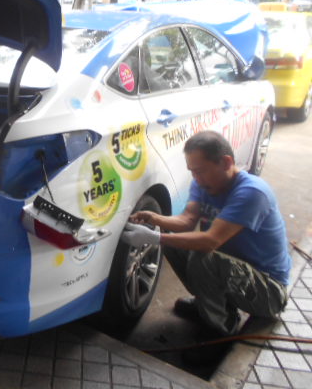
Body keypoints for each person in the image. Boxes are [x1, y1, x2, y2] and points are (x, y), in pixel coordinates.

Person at [121, 130, 291, 336]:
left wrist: (155, 238)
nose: (196, 179)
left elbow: (210, 241)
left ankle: (222, 325)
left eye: (200, 171)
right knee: (173, 240)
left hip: (269, 292)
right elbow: (186, 221)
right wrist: (154, 219)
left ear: (226, 162)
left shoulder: (252, 193)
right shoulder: (203, 184)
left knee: (201, 256)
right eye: (192, 172)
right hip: (235, 271)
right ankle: (210, 304)